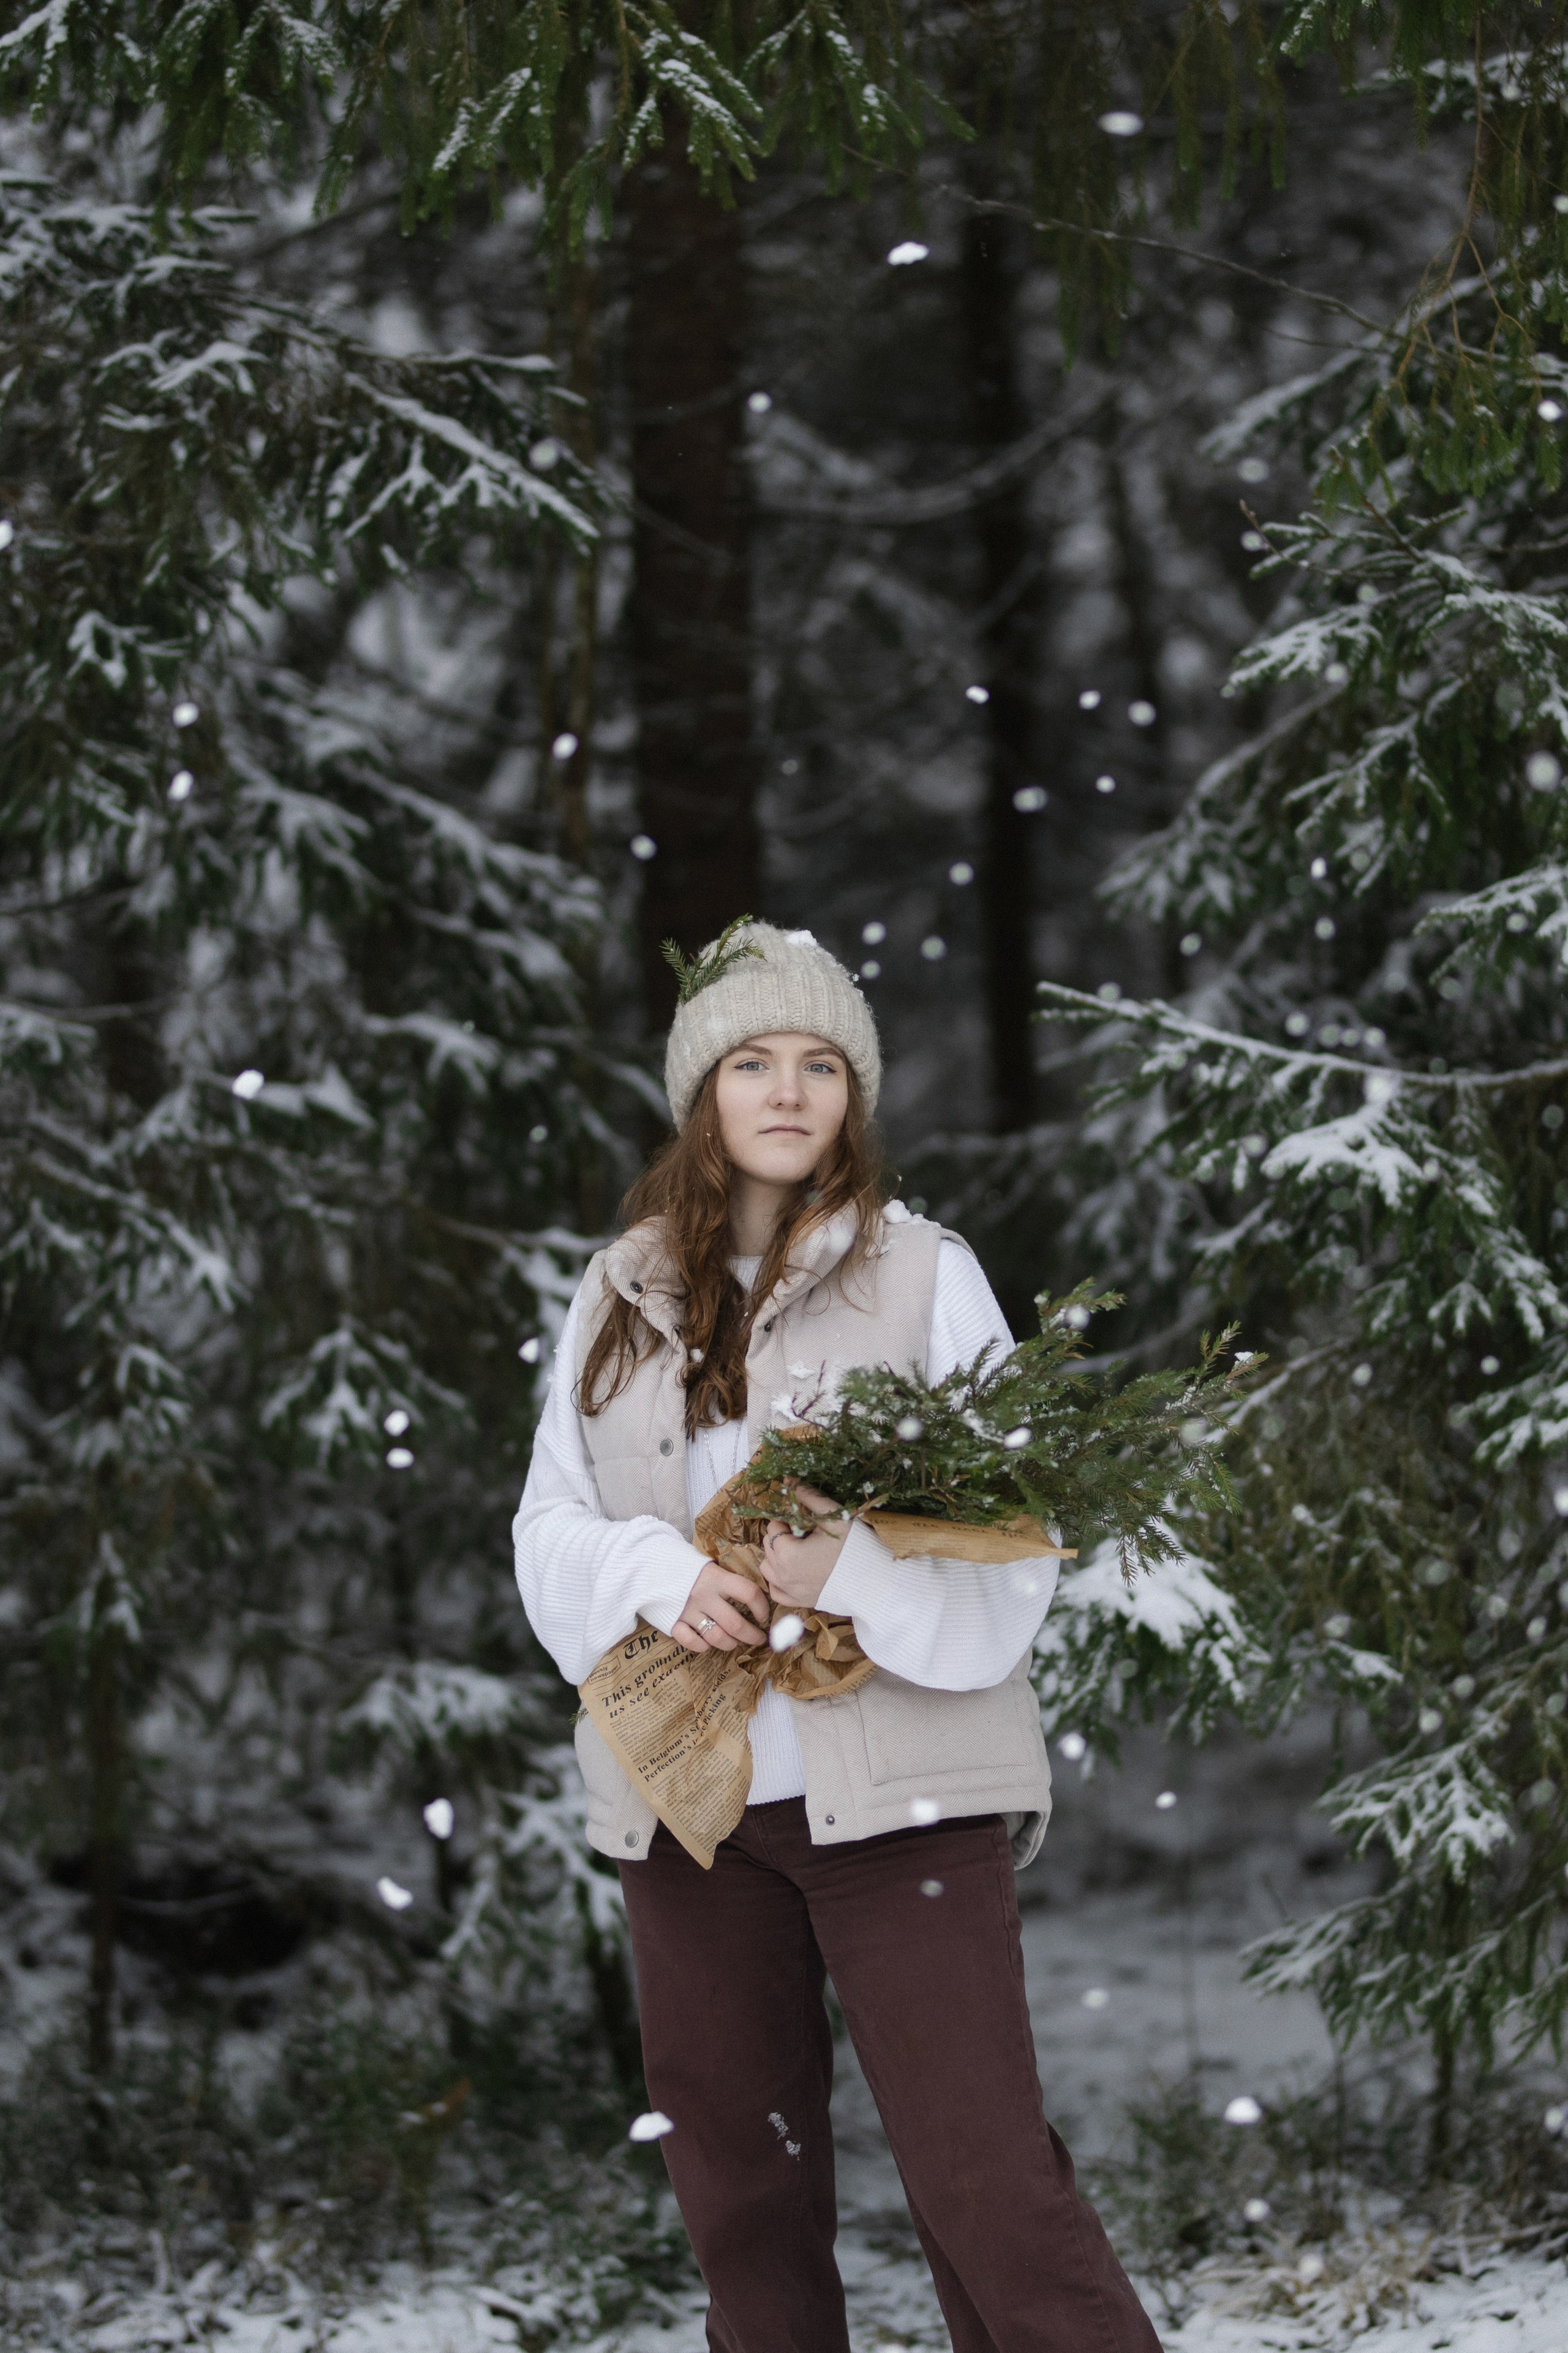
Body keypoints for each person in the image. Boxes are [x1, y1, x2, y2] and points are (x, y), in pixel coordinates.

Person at [513, 921, 1162, 2353]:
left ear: (852, 1095)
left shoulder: (927, 1275)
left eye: (819, 1062)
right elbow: (545, 1528)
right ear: (704, 1095)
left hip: (908, 1800)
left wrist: (850, 1564)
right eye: (752, 1061)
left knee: (984, 2187)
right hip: (693, 1807)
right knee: (740, 2199)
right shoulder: (615, 1297)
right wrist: (648, 1572)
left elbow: (1017, 1554)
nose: (788, 1089)